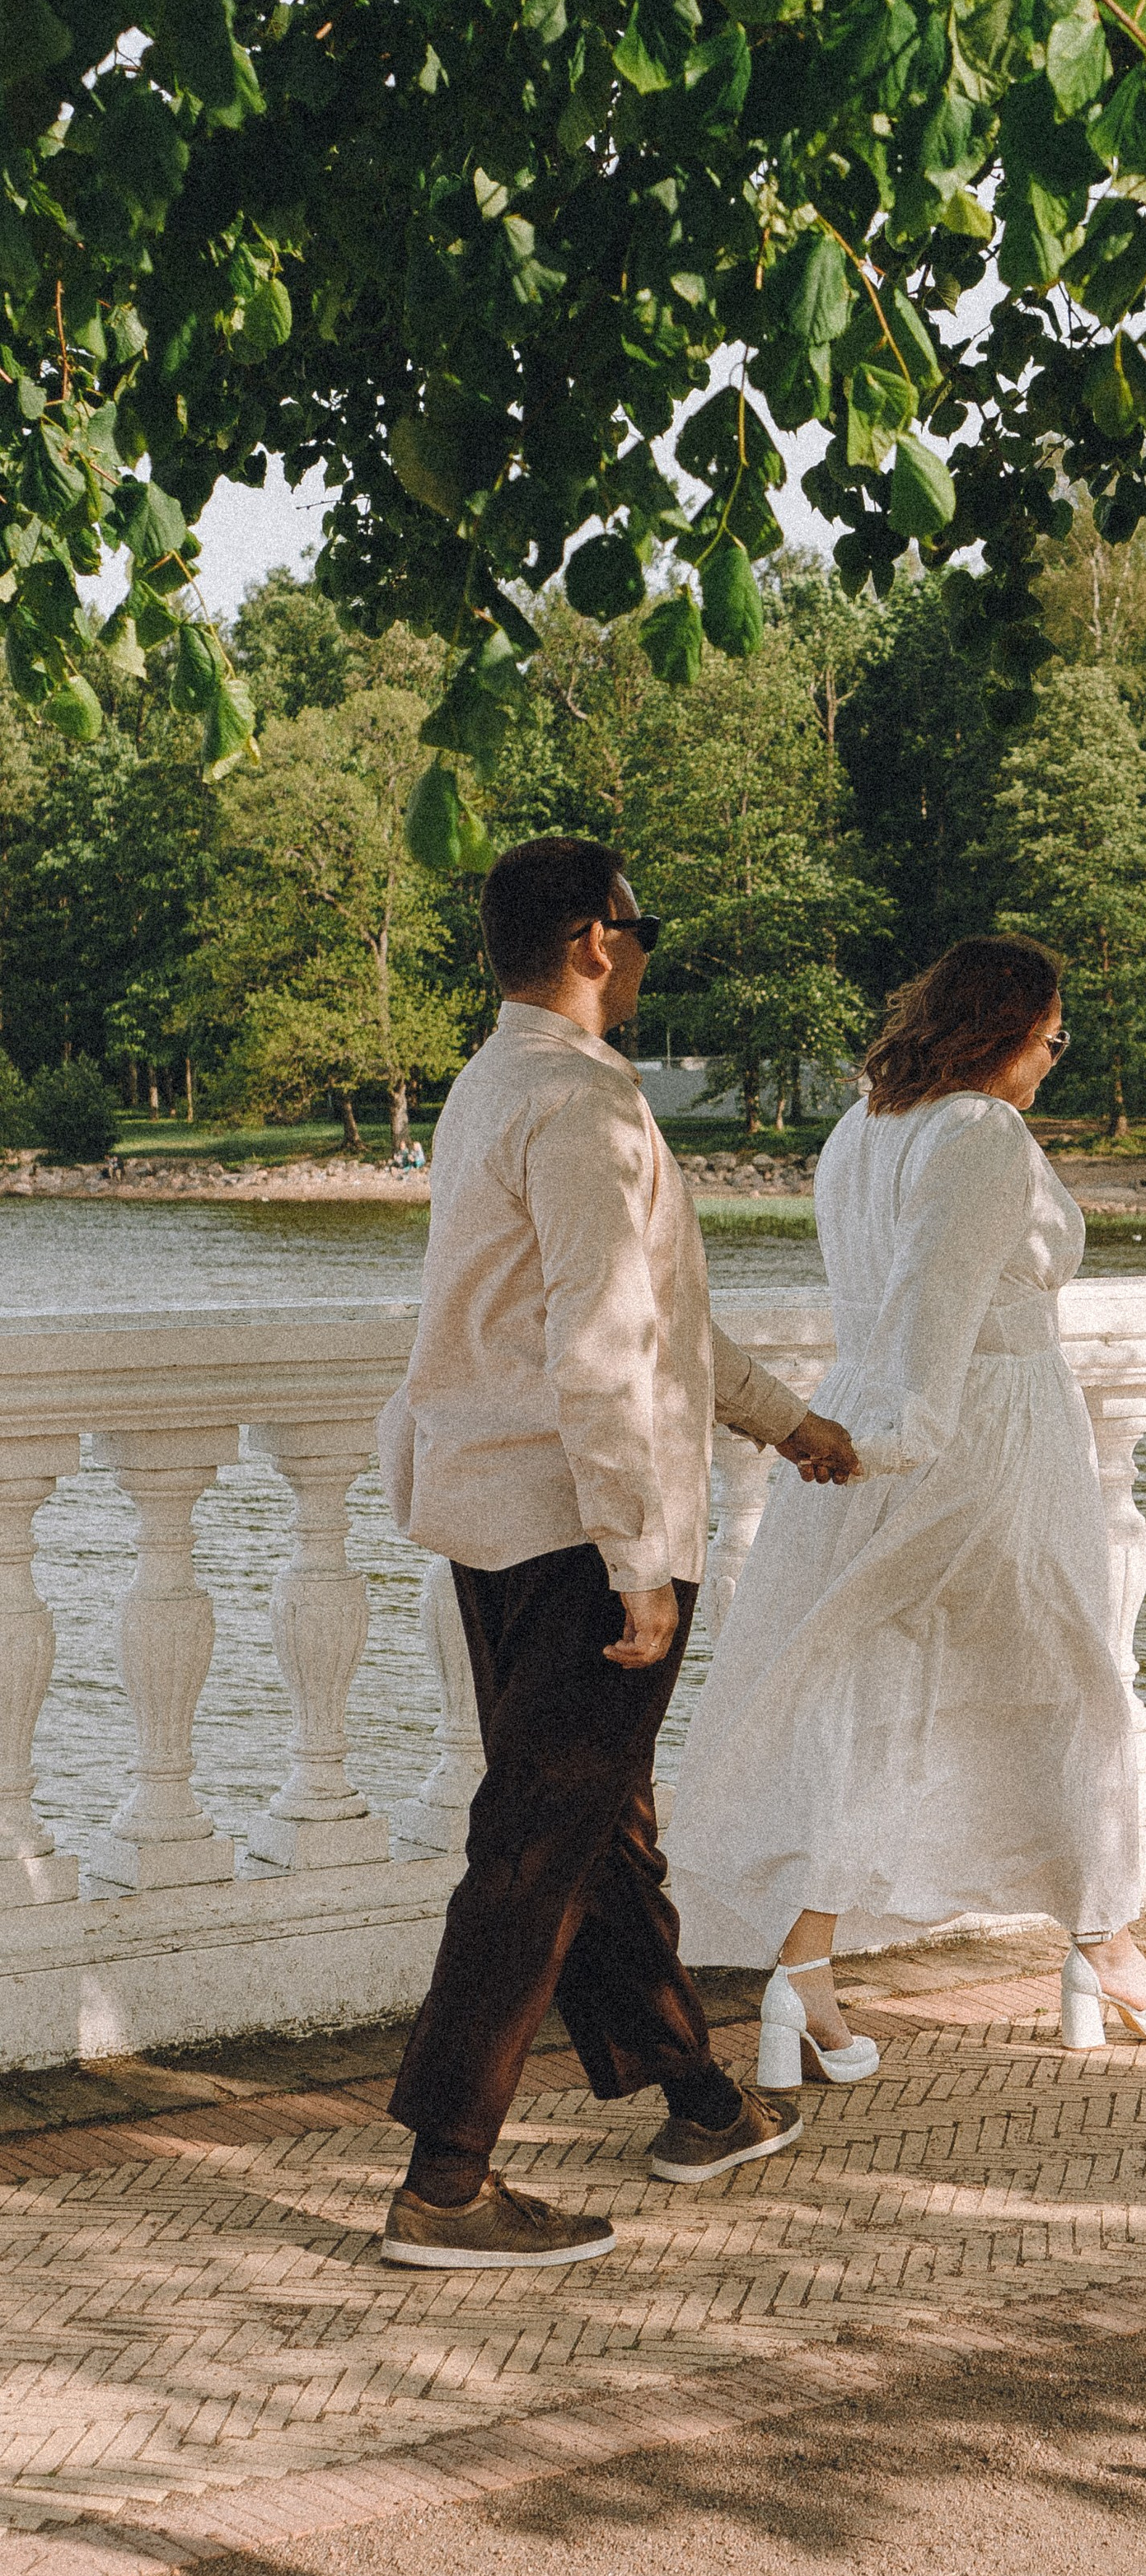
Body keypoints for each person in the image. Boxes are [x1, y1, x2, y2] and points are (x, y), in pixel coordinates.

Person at [374, 835, 859, 2272]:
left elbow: (646, 1315)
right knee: (535, 1845)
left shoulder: (489, 1083)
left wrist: (779, 1422)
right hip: (579, 1526)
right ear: (594, 938)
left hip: (493, 1513)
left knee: (594, 1827)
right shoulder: (584, 1107)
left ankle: (702, 2100)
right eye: (643, 928)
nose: (649, 952)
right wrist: (639, 1553)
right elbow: (602, 1345)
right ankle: (447, 2183)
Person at [665, 934, 1146, 2074]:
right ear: (1003, 1031)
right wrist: (894, 1448)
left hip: (876, 1407)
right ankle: (1106, 1951)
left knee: (875, 1683)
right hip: (967, 1431)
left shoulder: (867, 1123)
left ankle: (807, 1972)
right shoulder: (978, 1133)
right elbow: (939, 1301)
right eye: (1052, 1040)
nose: (1053, 1063)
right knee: (1060, 1674)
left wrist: (865, 1435)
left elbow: (905, 1298)